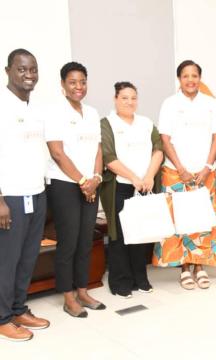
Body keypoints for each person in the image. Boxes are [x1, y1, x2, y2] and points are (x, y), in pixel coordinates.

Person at [152, 60, 216, 290]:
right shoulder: (170, 104)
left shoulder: (211, 103)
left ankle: (200, 266)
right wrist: (181, 169)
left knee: (202, 219)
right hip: (175, 172)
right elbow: (165, 139)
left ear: (200, 78)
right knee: (180, 219)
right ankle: (184, 267)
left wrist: (207, 167)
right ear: (179, 79)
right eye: (185, 76)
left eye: (194, 76)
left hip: (204, 172)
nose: (190, 80)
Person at [45, 62, 105, 317]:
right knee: (68, 242)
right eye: (72, 82)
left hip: (90, 184)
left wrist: (96, 178)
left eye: (82, 82)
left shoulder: (91, 113)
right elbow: (57, 153)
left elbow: (98, 149)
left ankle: (82, 290)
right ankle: (68, 297)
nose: (78, 87)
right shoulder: (54, 112)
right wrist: (83, 182)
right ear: (62, 85)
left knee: (85, 241)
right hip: (64, 185)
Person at [0, 49, 49, 341]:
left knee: (27, 257)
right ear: (7, 71)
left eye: (33, 69)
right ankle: (2, 317)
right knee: (7, 260)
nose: (29, 74)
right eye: (22, 69)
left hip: (36, 192)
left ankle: (18, 308)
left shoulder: (33, 108)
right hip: (11, 197)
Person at [100, 82, 163, 298]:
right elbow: (108, 157)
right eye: (124, 98)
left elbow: (158, 149)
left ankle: (140, 279)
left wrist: (148, 176)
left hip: (144, 187)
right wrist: (133, 177)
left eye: (133, 97)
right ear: (116, 99)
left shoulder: (146, 123)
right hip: (120, 187)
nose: (129, 102)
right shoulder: (107, 123)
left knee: (141, 234)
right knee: (119, 236)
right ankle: (120, 282)